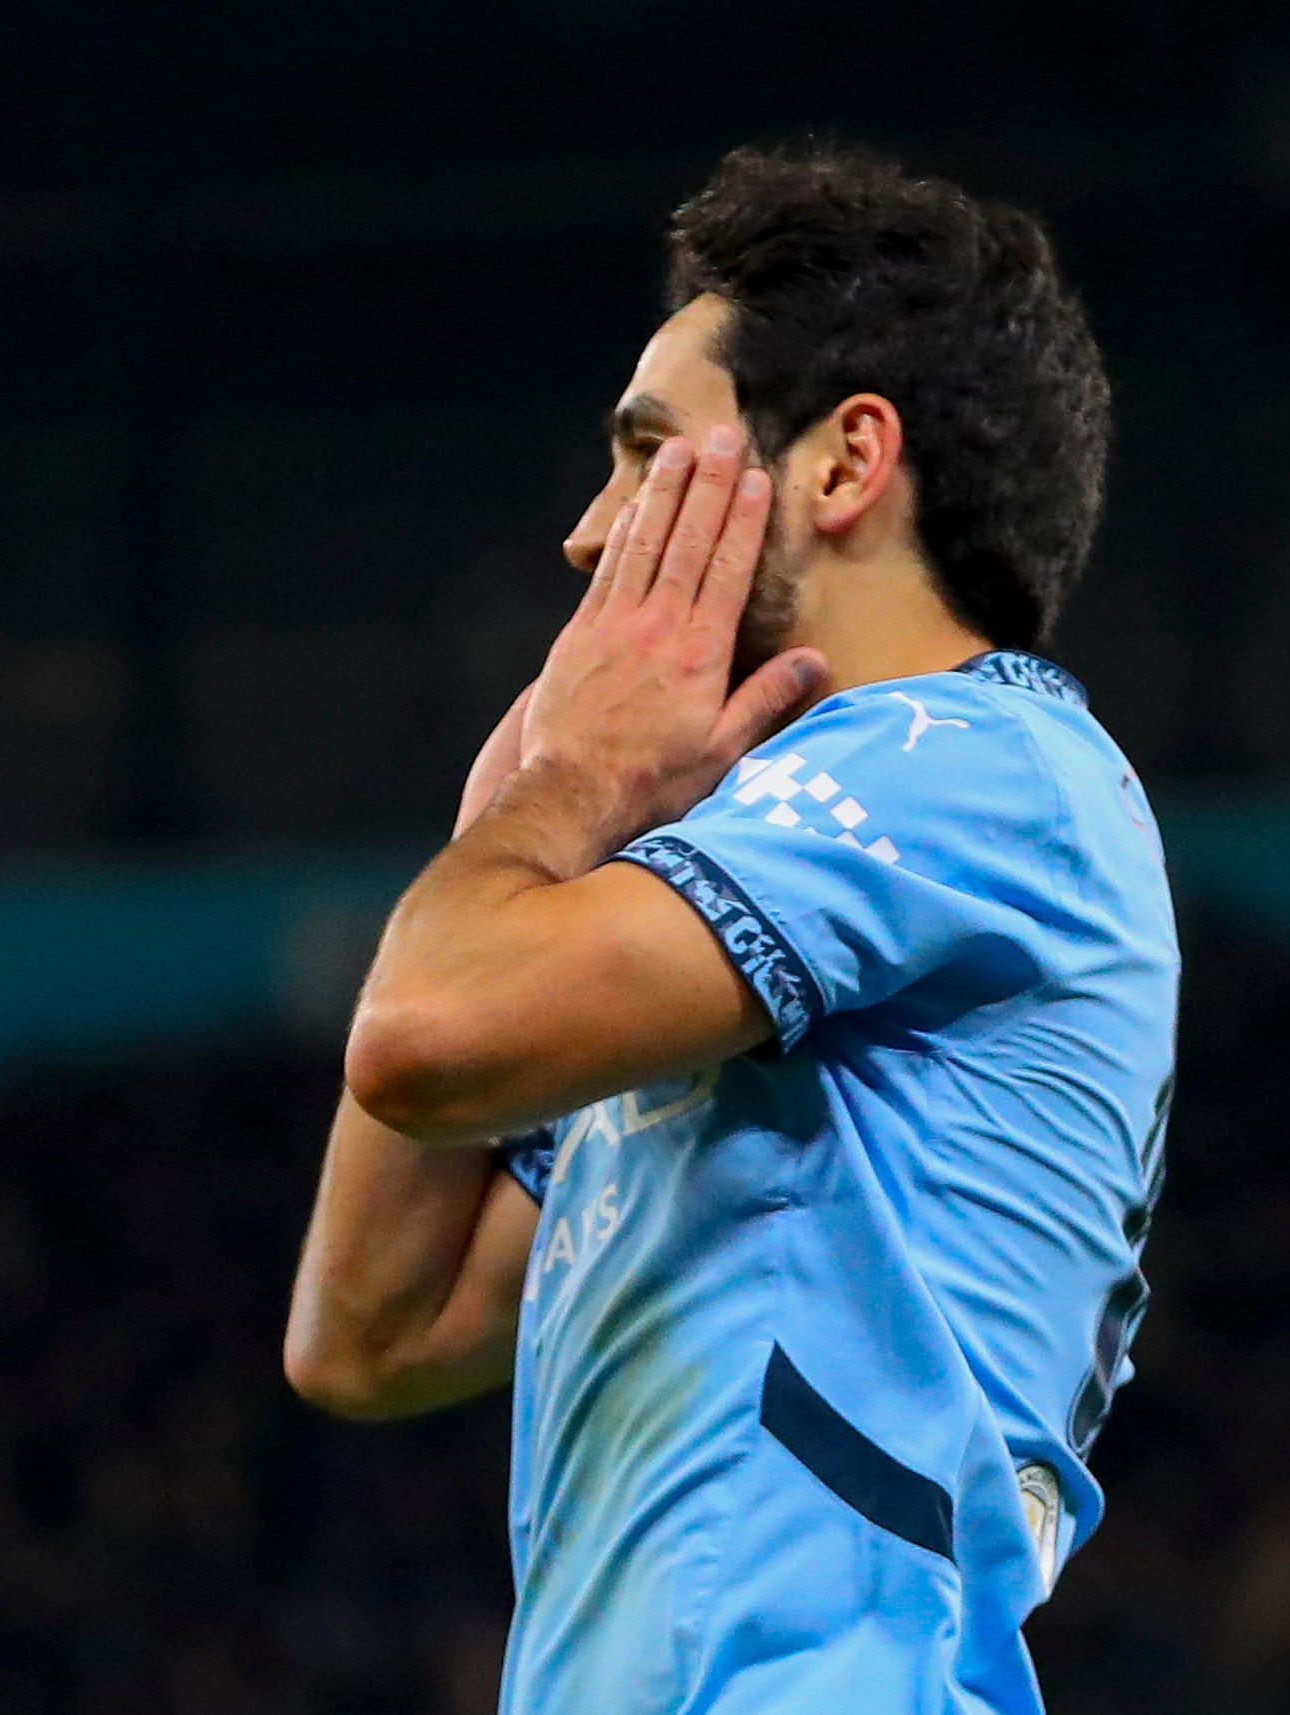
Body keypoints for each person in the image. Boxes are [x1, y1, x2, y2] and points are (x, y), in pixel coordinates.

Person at [284, 143, 1179, 1714]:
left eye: (646, 455)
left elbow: (421, 1040)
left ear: (841, 466)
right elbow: (369, 1329)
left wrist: (559, 791)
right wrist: (511, 818)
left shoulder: (965, 768)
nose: (588, 531)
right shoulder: (750, 925)